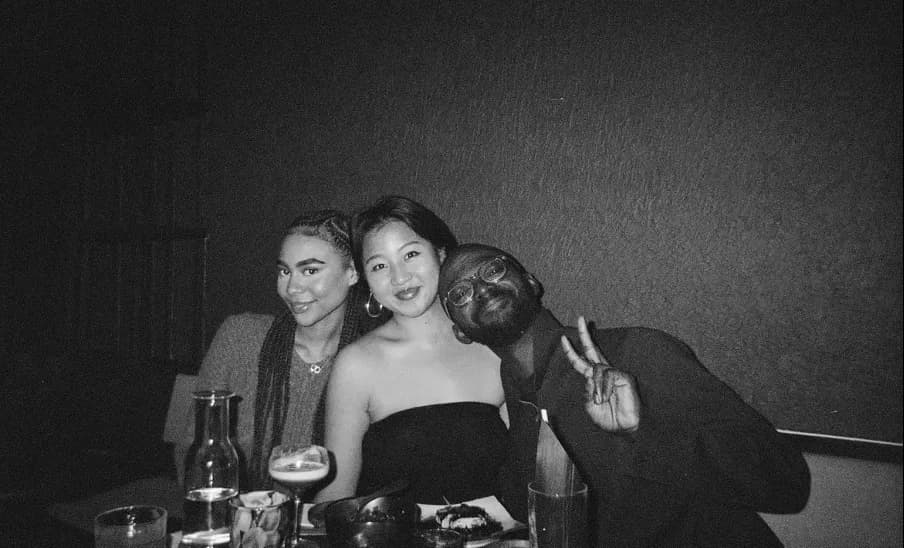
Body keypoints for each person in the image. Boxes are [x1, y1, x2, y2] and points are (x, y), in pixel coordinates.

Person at [438, 243, 811, 547]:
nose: (482, 288)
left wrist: (643, 431)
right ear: (461, 333)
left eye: (492, 270)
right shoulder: (518, 403)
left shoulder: (635, 351)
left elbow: (787, 484)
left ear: (531, 281)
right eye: (460, 292)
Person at [315, 196, 507, 505]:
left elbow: (527, 477)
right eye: (379, 265)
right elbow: (336, 496)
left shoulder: (494, 349)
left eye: (411, 254)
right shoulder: (356, 364)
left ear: (441, 255)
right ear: (366, 280)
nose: (399, 277)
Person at [180, 209, 379, 490]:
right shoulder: (240, 336)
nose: (292, 287)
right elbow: (194, 447)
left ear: (352, 273)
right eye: (285, 271)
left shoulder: (367, 362)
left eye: (310, 270)